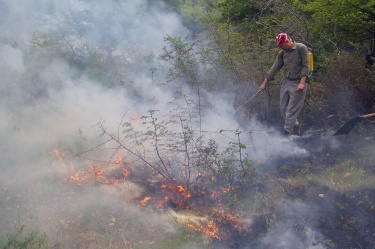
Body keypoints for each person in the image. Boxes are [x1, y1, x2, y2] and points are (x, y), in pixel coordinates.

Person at [259, 33, 309, 136]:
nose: (281, 48)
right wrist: (264, 84)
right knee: (283, 108)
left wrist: (302, 83)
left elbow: (306, 65)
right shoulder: (282, 53)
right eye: (279, 47)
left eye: (281, 46)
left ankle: (286, 134)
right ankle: (295, 127)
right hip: (287, 81)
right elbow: (275, 67)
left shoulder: (301, 48)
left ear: (287, 41)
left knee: (291, 109)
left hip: (299, 82)